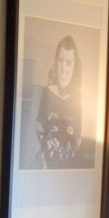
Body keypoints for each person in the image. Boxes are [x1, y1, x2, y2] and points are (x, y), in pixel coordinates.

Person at [35, 35, 82, 167]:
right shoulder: (46, 93)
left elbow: (78, 139)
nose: (64, 69)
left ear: (74, 66)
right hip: (46, 168)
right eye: (61, 61)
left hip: (69, 171)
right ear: (56, 62)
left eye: (68, 62)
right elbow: (38, 130)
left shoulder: (78, 98)